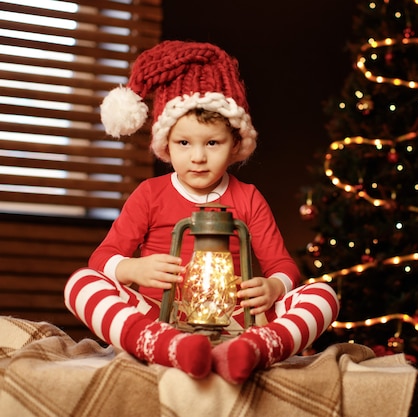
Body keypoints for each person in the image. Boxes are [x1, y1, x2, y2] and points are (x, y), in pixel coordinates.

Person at [64, 40, 340, 383]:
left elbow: (283, 266)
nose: (197, 157)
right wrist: (134, 267)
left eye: (212, 143)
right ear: (165, 143)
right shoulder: (150, 194)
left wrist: (274, 287)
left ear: (235, 143)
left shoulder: (249, 197)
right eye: (184, 143)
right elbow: (102, 258)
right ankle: (167, 346)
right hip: (159, 317)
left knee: (324, 295)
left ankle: (257, 347)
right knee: (81, 284)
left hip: (238, 319)